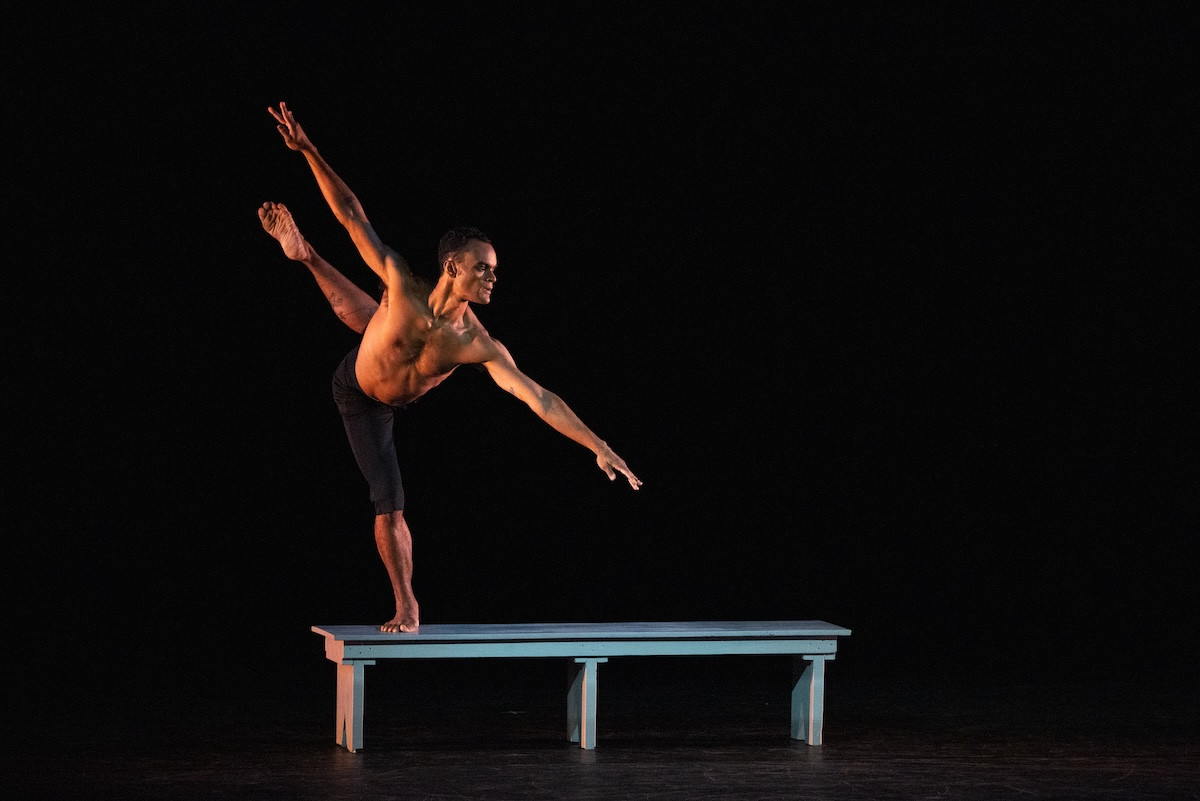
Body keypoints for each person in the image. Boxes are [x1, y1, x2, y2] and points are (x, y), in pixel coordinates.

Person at [259, 102, 642, 632]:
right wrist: (308, 150)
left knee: (375, 322)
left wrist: (597, 444)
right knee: (389, 494)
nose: (492, 278)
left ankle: (308, 257)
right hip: (360, 391)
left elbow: (539, 397)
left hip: (398, 374)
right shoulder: (401, 278)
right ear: (452, 267)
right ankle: (407, 606)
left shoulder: (478, 344)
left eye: (495, 271)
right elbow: (350, 214)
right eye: (483, 269)